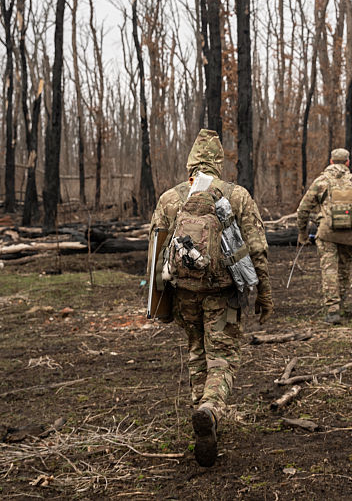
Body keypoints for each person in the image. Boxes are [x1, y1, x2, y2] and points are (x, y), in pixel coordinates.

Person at [149, 129, 273, 467]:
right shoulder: (236, 195)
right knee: (222, 357)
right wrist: (264, 293)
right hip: (223, 293)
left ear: (190, 162)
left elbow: (155, 252)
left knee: (196, 352)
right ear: (218, 162)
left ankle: (200, 415)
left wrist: (157, 302)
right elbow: (257, 248)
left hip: (183, 293)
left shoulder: (170, 198)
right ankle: (210, 410)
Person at [295, 148, 352, 324]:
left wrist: (302, 233)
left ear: (331, 161)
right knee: (344, 269)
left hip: (326, 233)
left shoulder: (321, 181)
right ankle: (343, 306)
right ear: (347, 162)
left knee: (329, 269)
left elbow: (303, 209)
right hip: (349, 233)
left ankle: (332, 310)